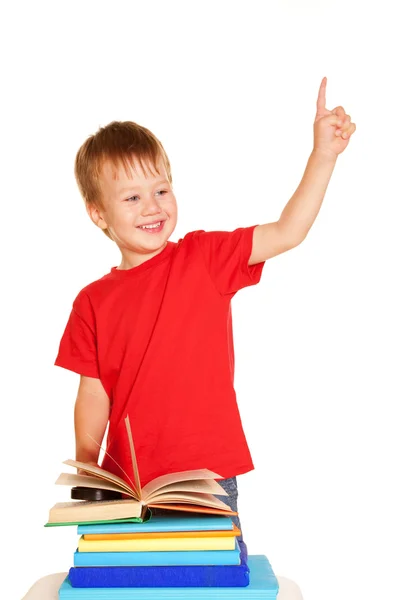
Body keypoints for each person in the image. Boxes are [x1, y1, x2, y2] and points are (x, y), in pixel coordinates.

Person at [55, 77, 356, 536]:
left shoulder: (204, 258)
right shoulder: (91, 301)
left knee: (207, 581)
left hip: (206, 479)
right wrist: (86, 467)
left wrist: (323, 156)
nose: (152, 207)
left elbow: (288, 231)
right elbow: (93, 394)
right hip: (130, 485)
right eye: (132, 197)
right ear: (99, 214)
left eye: (161, 190)